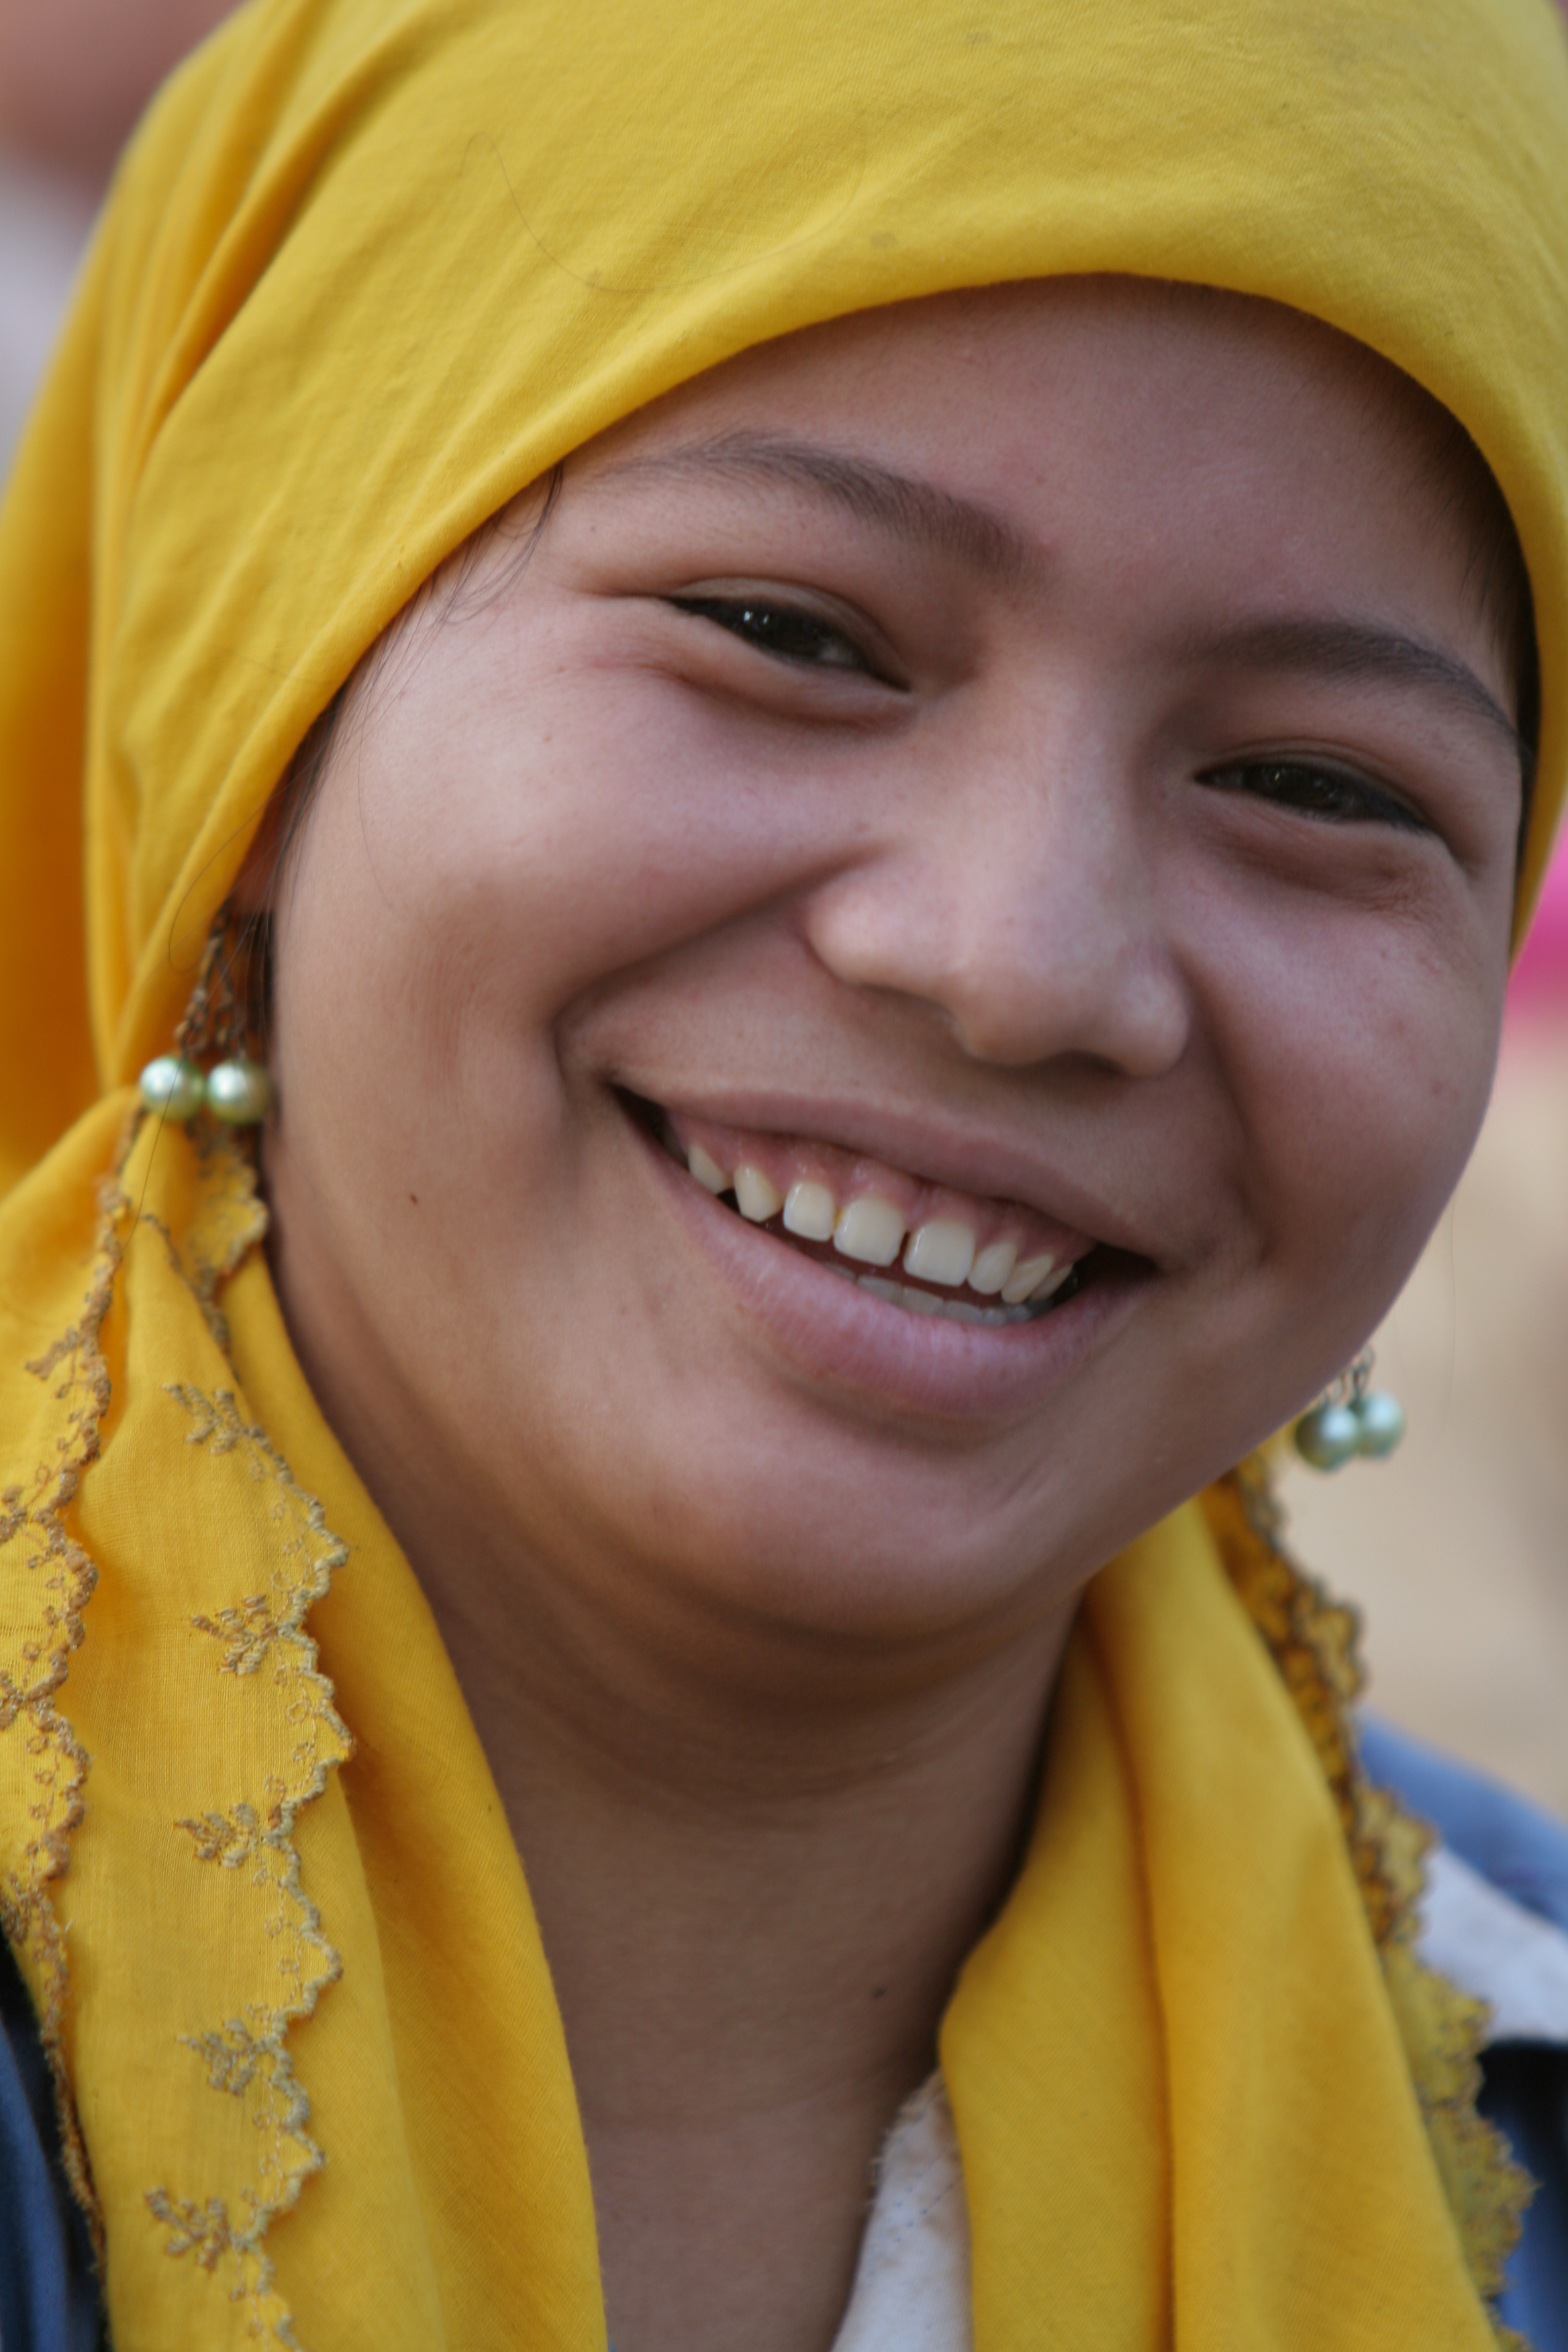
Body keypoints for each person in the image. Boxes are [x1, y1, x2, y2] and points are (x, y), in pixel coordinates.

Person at [1, 1, 1566, 2347]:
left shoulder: (1509, 2075)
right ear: (251, 712)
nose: (1025, 965)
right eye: (785, 633)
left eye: (1324, 787)